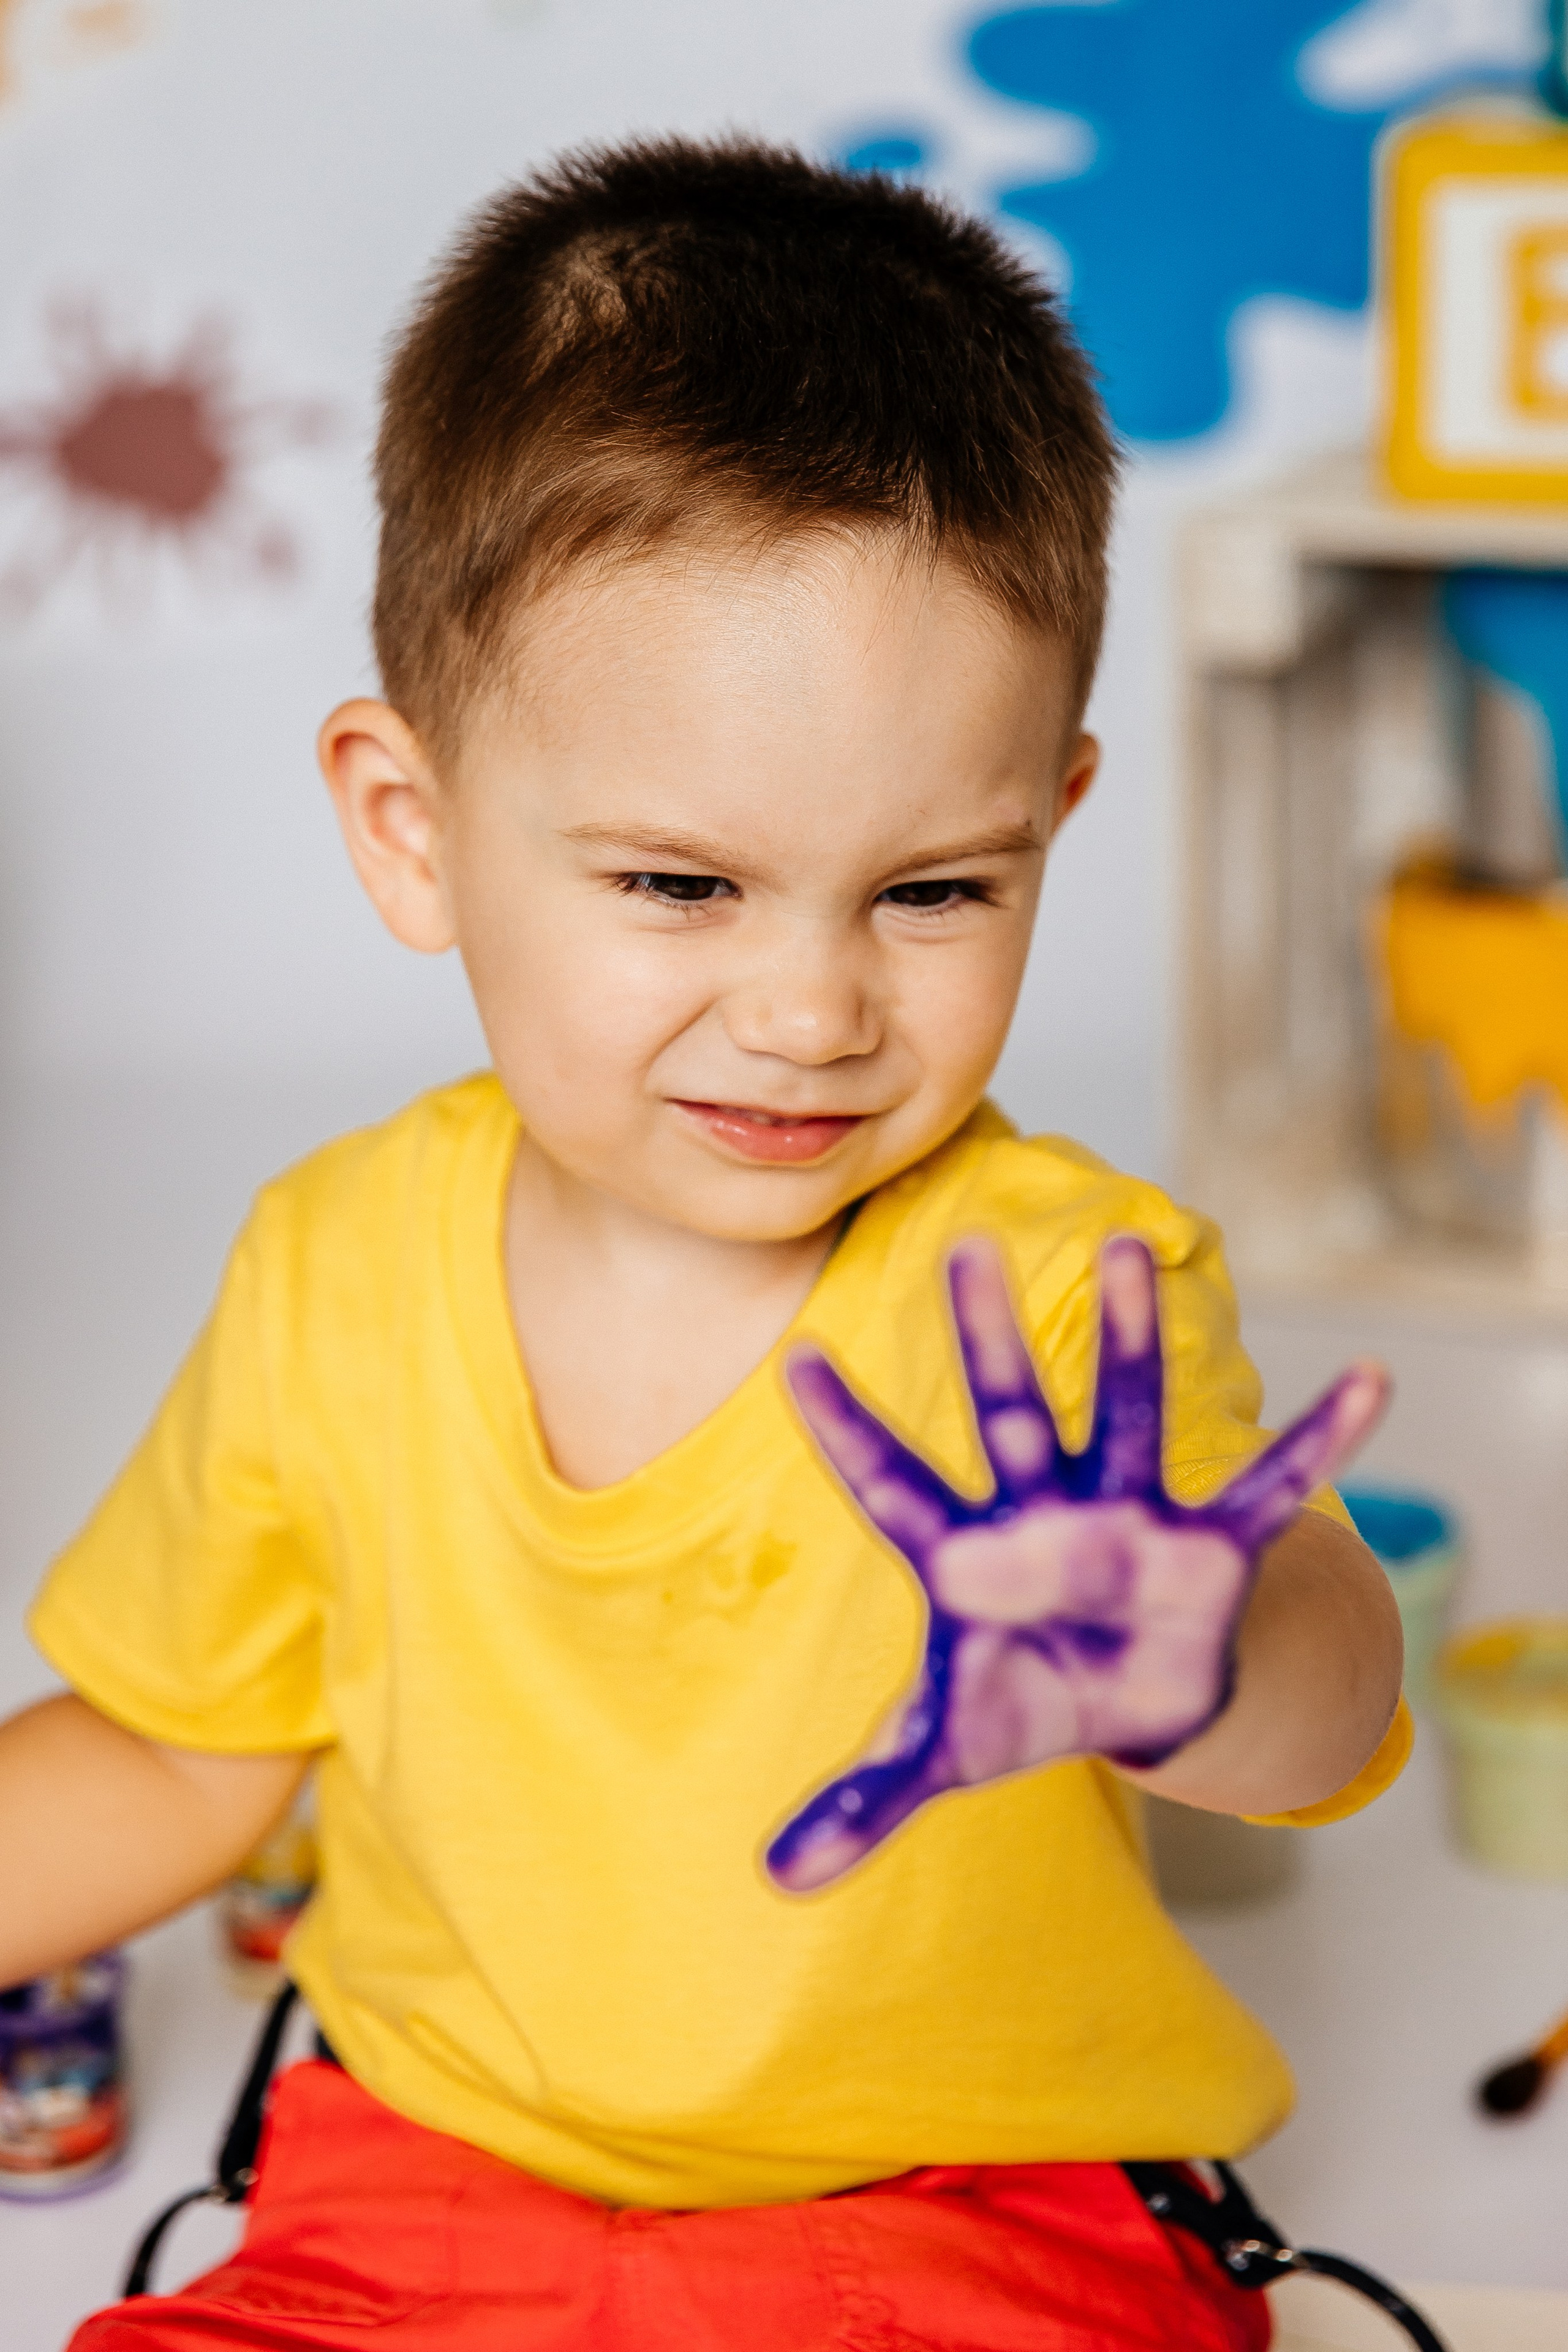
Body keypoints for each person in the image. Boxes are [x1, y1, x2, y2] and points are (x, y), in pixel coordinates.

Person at [0, 138, 1407, 2350]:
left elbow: (1321, 1721)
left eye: (934, 889)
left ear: (1053, 820)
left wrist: (1209, 1651)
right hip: (420, 2171)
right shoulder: (336, 1260)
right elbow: (183, 1755)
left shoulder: (1054, 1297)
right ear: (416, 828)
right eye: (680, 885)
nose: (814, 1010)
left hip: (955, 2202)